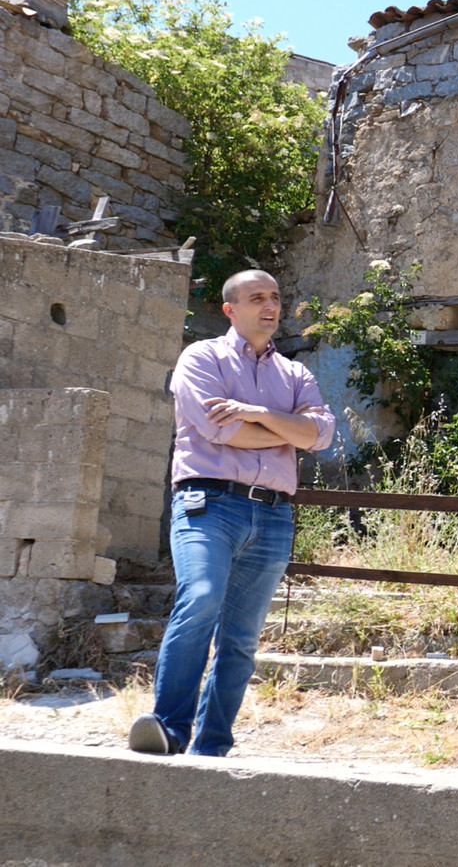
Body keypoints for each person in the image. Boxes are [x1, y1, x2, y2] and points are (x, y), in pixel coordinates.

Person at [130, 269, 335, 757]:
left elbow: (322, 435)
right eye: (256, 297)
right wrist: (290, 431)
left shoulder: (295, 374)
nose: (270, 305)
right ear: (230, 309)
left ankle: (212, 746)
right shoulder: (202, 357)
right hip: (209, 504)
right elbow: (222, 432)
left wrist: (258, 414)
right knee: (199, 598)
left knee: (241, 638)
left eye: (276, 297)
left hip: (272, 515)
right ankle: (168, 728)